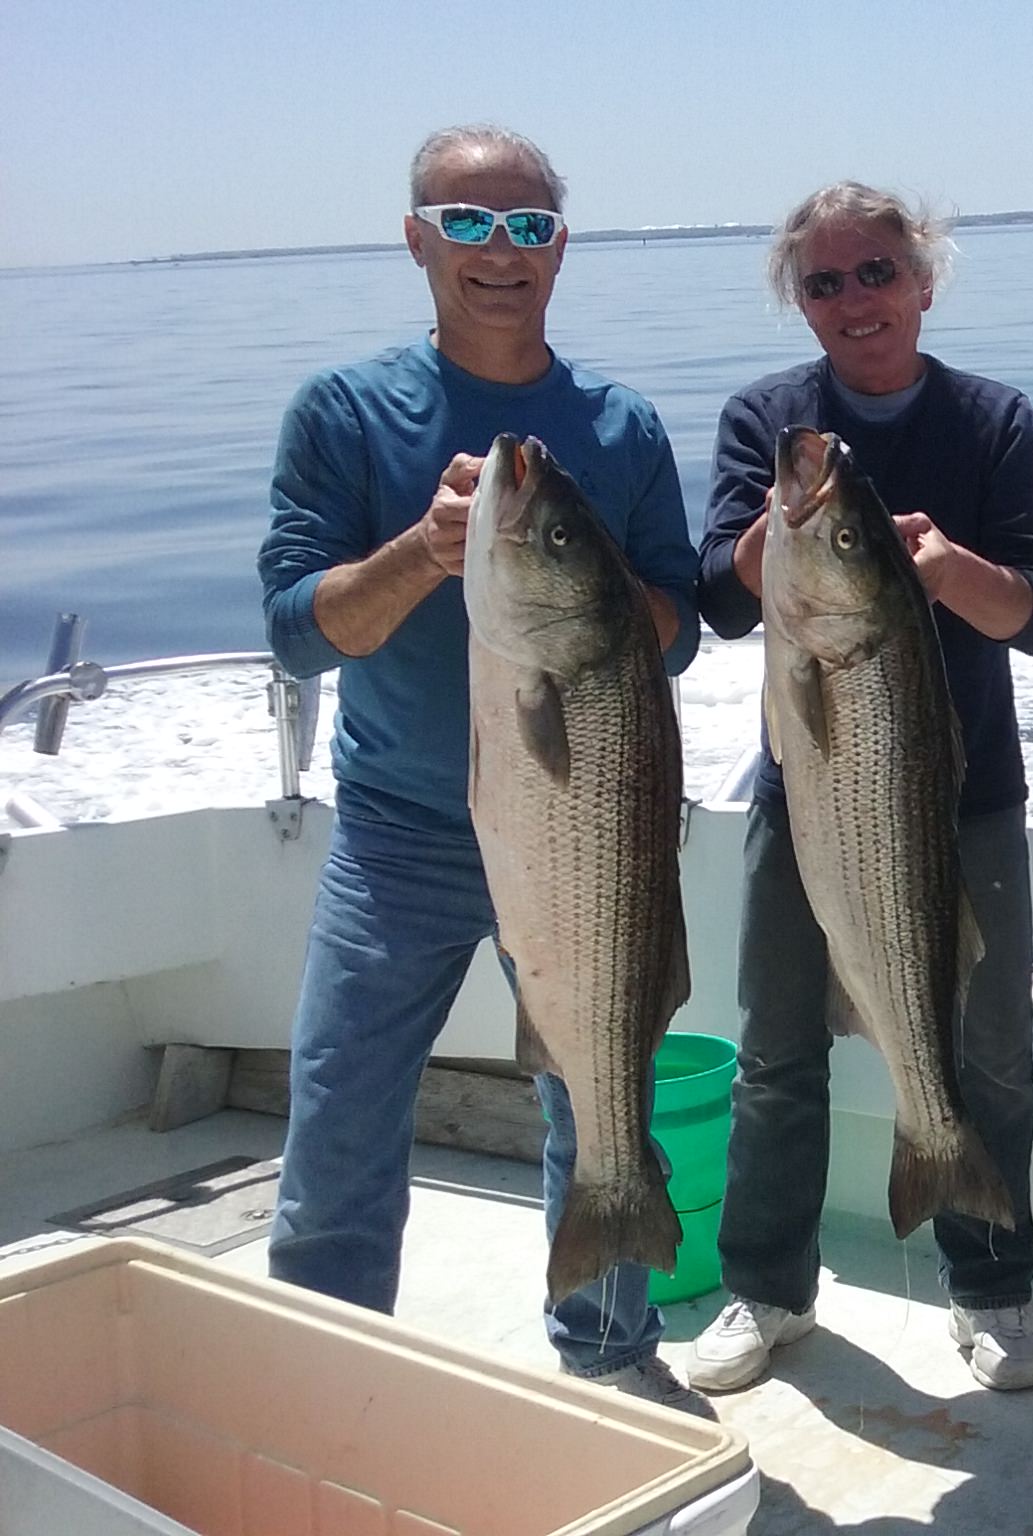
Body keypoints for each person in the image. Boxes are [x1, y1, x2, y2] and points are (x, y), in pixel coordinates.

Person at [256, 125, 705, 1410]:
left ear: (559, 247)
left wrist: (567, 569)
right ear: (416, 238)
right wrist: (427, 551)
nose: (498, 253)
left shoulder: (616, 426)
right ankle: (319, 1372)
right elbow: (296, 631)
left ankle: (612, 1359)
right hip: (398, 833)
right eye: (467, 222)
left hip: (594, 819)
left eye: (525, 227)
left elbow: (671, 626)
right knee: (340, 1106)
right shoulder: (344, 411)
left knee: (596, 1088)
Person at [687, 183, 1033, 1395]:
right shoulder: (767, 419)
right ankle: (766, 1289)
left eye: (878, 273)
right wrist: (793, 525)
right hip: (809, 795)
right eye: (826, 282)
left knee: (988, 1052)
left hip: (971, 798)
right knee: (779, 1048)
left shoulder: (994, 419)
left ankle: (993, 1285)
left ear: (924, 282)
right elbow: (728, 600)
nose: (856, 301)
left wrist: (944, 568)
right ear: (801, 301)